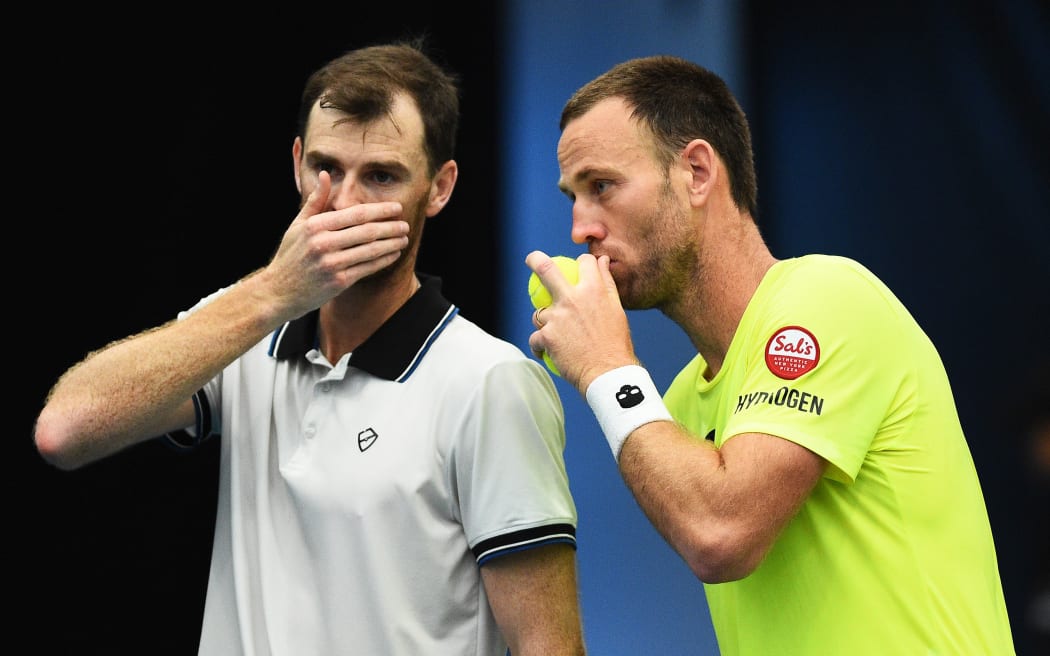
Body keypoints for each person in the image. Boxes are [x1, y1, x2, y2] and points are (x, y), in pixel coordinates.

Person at [34, 39, 586, 656]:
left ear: (440, 187)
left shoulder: (490, 382)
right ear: (297, 163)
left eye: (381, 176)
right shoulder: (245, 328)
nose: (345, 203)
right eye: (326, 168)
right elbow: (65, 429)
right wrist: (273, 293)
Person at [526, 55, 1014, 655]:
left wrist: (605, 368)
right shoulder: (674, 404)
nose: (579, 228)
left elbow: (721, 533)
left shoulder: (830, 297)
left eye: (601, 187)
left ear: (697, 172)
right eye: (572, 197)